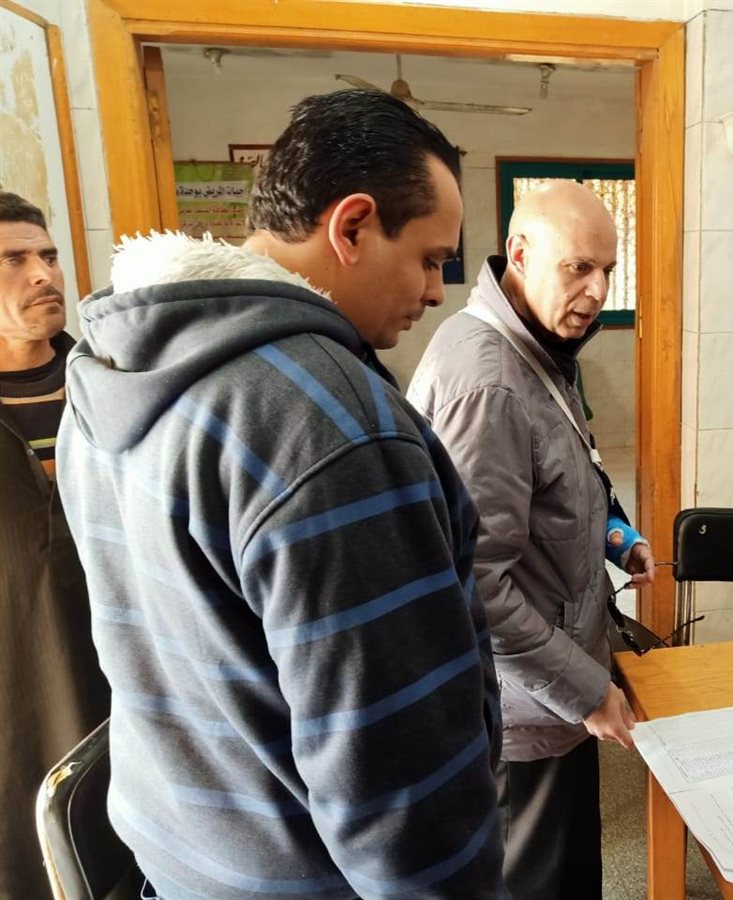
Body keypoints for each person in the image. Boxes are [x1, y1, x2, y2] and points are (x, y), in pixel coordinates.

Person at [55, 91, 504, 899]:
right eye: (431, 259)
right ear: (353, 226)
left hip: (184, 859)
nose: (438, 291)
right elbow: (396, 776)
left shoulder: (106, 374)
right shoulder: (331, 426)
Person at [407, 181, 654, 899]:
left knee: (568, 872)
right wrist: (587, 691)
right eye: (578, 267)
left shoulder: (537, 346)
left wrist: (616, 536)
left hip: (551, 690)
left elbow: (565, 477)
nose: (597, 290)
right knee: (541, 881)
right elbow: (475, 583)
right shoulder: (489, 380)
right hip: (523, 706)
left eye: (607, 270)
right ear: (519, 253)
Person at [0, 192, 108, 900]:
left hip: (127, 687)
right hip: (16, 700)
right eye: (14, 260)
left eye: (48, 255)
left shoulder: (109, 385)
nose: (43, 274)